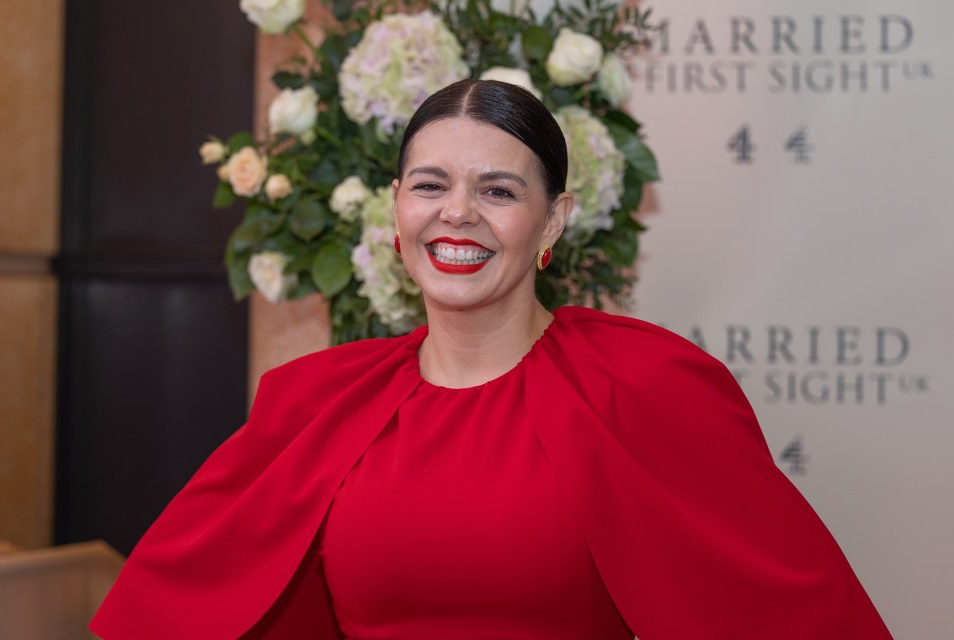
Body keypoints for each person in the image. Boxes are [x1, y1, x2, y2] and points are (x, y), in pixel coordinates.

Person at [90, 80, 892, 639]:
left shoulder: (644, 384)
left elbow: (792, 616)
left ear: (553, 222)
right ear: (396, 210)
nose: (457, 215)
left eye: (500, 192)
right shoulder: (316, 399)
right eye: (429, 185)